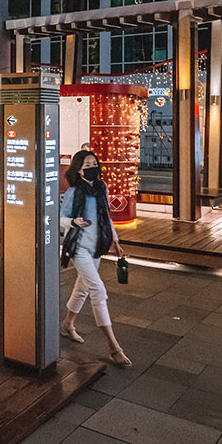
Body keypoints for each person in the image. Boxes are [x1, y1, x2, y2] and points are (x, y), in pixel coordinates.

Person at [60, 149, 132, 367]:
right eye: (87, 165)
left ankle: (68, 324)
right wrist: (74, 222)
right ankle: (113, 346)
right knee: (98, 290)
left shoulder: (102, 188)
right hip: (79, 248)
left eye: (94, 164)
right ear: (78, 170)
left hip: (97, 247)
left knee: (82, 289)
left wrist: (116, 241)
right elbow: (60, 218)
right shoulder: (74, 192)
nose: (92, 168)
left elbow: (106, 216)